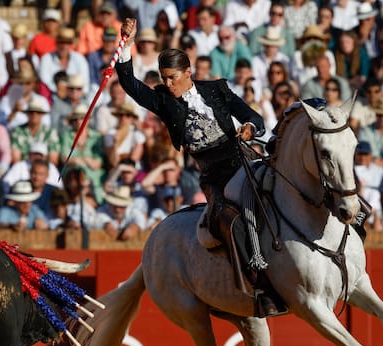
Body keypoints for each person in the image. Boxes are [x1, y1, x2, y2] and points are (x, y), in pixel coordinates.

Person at [116, 18, 281, 317]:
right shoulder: (164, 101)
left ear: (188, 73)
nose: (167, 84)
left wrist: (247, 128)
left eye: (172, 78)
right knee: (230, 219)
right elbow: (130, 84)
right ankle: (260, 287)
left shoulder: (216, 90)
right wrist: (126, 44)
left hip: (243, 159)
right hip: (213, 174)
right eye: (164, 78)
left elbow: (253, 117)